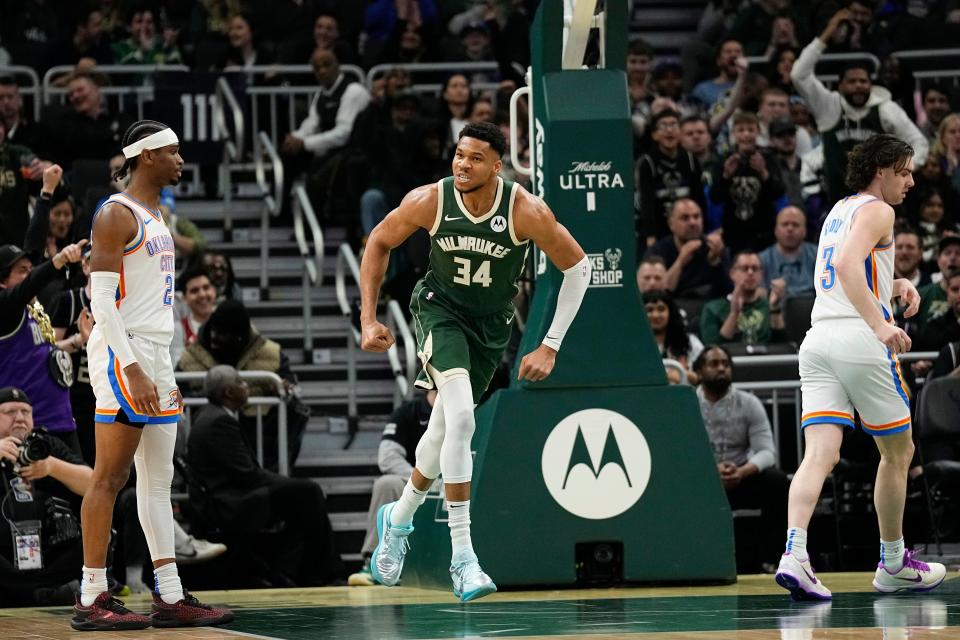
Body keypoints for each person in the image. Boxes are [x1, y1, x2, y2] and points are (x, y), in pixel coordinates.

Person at [359, 121, 591, 601]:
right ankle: (463, 556)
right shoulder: (431, 199)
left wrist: (550, 343)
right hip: (439, 312)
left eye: (475, 158)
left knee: (443, 430)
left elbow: (579, 267)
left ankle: (397, 522)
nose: (463, 165)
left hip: (488, 328)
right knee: (462, 417)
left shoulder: (525, 210)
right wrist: (367, 318)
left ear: (497, 165)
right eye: (459, 155)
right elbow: (378, 241)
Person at [75, 120, 232, 630]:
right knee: (110, 477)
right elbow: (101, 300)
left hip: (157, 355)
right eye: (173, 152)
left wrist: (160, 368)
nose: (181, 160)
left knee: (158, 481)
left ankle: (167, 593)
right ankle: (91, 595)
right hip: (127, 355)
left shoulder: (157, 213)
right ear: (147, 157)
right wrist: (135, 368)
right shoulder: (115, 214)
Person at [776, 134, 946, 601]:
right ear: (882, 170)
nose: (911, 181)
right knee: (897, 453)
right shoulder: (879, 210)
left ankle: (795, 553)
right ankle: (893, 561)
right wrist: (880, 325)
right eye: (905, 171)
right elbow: (851, 266)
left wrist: (896, 282)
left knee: (819, 455)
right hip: (857, 339)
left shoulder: (837, 211)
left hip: (818, 340)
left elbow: (842, 273)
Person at [186, 365, 342, 587]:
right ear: (229, 392)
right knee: (308, 491)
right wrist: (290, 483)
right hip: (225, 502)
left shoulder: (212, 416)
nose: (246, 386)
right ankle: (320, 572)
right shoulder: (219, 421)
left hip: (226, 494)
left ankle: (295, 570)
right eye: (241, 382)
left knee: (306, 494)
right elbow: (247, 475)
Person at [790, 9, 928, 203]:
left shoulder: (884, 108)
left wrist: (902, 171)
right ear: (840, 85)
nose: (858, 86)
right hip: (837, 203)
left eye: (863, 81)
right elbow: (799, 74)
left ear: (871, 84)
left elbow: (919, 143)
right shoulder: (829, 106)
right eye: (852, 81)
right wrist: (827, 34)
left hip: (879, 204)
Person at [693, 346, 789, 572]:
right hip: (701, 480)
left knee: (777, 481)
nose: (721, 369)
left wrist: (742, 471)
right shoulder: (686, 404)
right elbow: (678, 453)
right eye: (714, 364)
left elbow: (767, 452)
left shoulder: (749, 403)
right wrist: (713, 470)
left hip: (739, 478)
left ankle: (772, 560)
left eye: (725, 364)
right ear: (699, 371)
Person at [0, 387, 92, 606]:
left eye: (26, 411)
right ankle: (39, 593)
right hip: (4, 557)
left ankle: (33, 592)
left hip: (50, 553)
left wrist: (51, 467)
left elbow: (94, 485)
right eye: (10, 412)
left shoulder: (45, 445)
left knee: (101, 537)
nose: (20, 418)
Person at [0, 243, 84, 453]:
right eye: (22, 271)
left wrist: (79, 340)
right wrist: (59, 260)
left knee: (83, 481)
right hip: (28, 425)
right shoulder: (4, 309)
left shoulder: (31, 309)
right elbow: (31, 284)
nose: (30, 276)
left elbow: (44, 354)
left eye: (31, 270)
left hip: (61, 418)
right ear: (2, 281)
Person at [349, 389, 436, 586]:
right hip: (417, 483)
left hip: (458, 482)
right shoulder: (408, 412)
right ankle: (375, 562)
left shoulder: (470, 409)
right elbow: (387, 458)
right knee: (387, 484)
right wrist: (424, 479)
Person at [636, 109, 708, 248]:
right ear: (655, 135)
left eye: (674, 125)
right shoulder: (647, 163)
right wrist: (651, 236)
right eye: (663, 126)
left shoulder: (690, 160)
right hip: (660, 230)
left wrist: (702, 231)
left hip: (688, 230)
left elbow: (699, 198)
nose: (669, 130)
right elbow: (647, 203)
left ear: (680, 132)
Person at [645, 198, 730, 299]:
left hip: (708, 306)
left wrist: (715, 262)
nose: (692, 222)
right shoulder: (657, 252)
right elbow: (657, 295)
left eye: (696, 217)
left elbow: (728, 291)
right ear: (671, 224)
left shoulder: (714, 247)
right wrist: (680, 262)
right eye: (685, 218)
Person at [700, 250, 785, 345]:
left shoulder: (768, 306)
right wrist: (734, 313)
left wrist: (775, 307)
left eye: (755, 268)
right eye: (745, 268)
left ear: (761, 274)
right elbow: (713, 350)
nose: (750, 273)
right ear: (732, 274)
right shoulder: (713, 308)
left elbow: (781, 346)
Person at [758, 206, 818, 299]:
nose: (790, 229)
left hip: (812, 309)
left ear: (805, 231)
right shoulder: (761, 260)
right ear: (776, 230)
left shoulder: (819, 255)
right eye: (785, 224)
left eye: (795, 225)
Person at [644, 290, 703, 382]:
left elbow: (703, 376)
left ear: (671, 312)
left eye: (661, 309)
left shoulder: (691, 342)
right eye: (649, 310)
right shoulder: (634, 344)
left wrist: (685, 375)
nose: (655, 315)